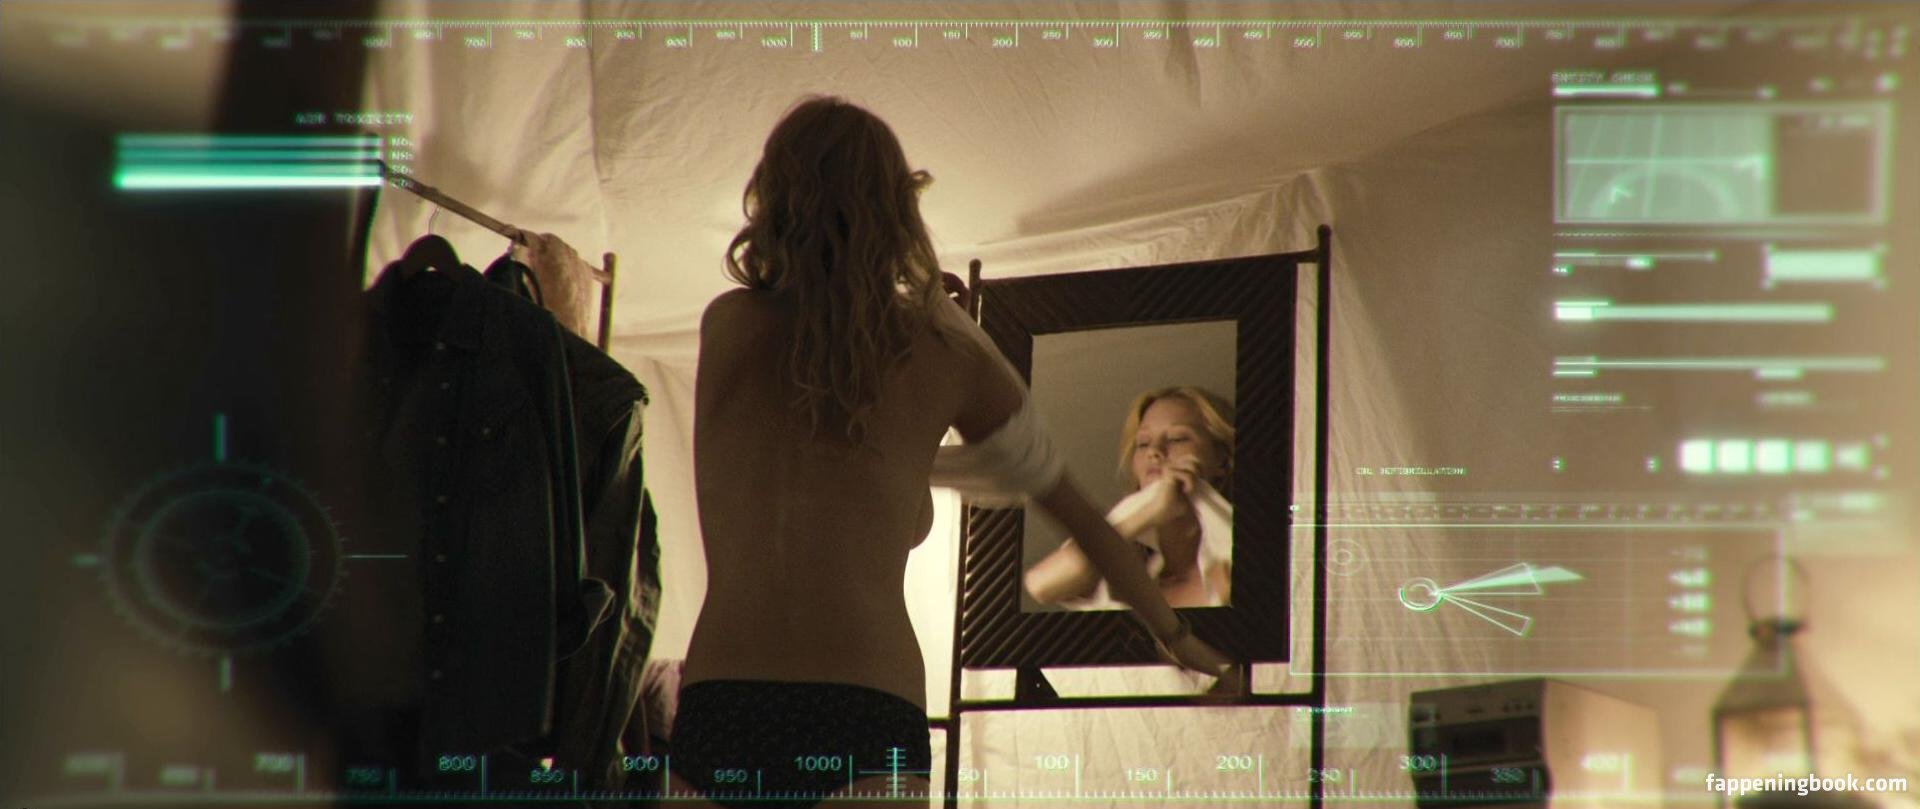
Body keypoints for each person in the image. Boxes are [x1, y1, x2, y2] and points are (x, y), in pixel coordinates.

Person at [664, 96, 1242, 809]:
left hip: (723, 699)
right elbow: (1079, 514)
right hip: (865, 700)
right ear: (896, 208)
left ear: (775, 195)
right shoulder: (940, 351)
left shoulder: (727, 325)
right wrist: (1178, 636)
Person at [1025, 386, 1236, 610]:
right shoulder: (1122, 572)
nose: (1154, 451)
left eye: (1177, 438)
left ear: (1222, 461)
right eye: (1143, 443)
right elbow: (1040, 584)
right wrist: (1149, 511)